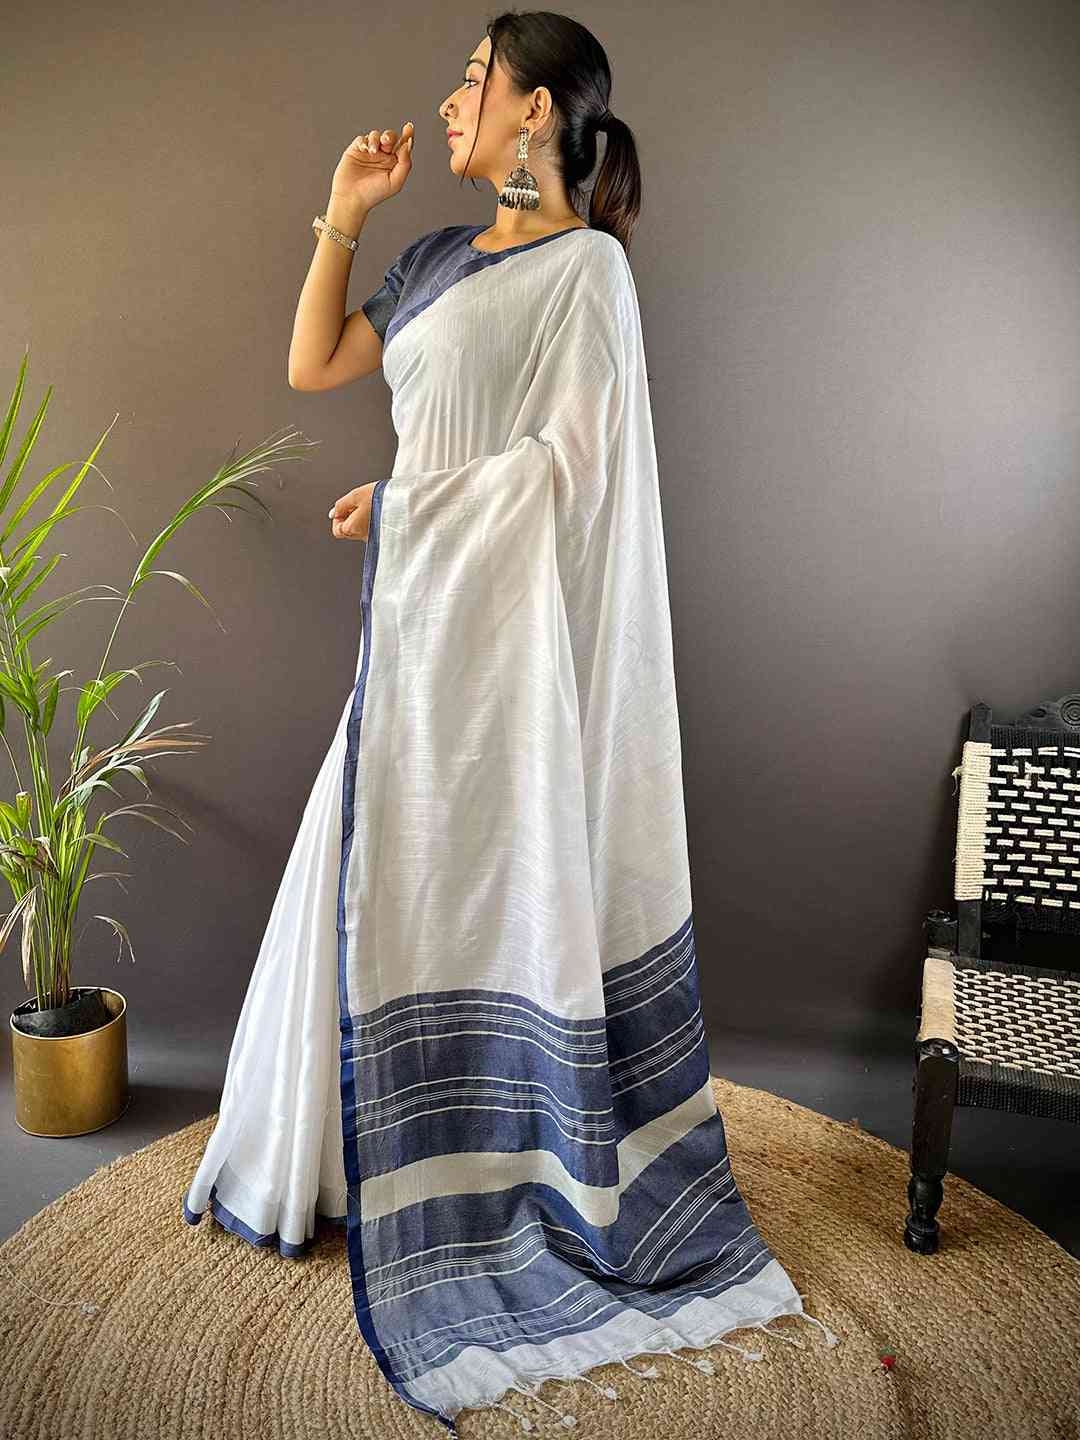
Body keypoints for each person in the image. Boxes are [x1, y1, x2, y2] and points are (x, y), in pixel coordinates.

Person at [183, 12, 836, 1433]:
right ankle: (344, 1165)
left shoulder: (588, 273)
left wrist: (407, 507)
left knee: (476, 890)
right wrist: (344, 215)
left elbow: (573, 471)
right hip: (415, 645)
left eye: (475, 78)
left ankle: (498, 1172)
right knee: (370, 882)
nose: (451, 98)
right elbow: (316, 363)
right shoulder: (431, 260)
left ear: (535, 109)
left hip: (508, 668)